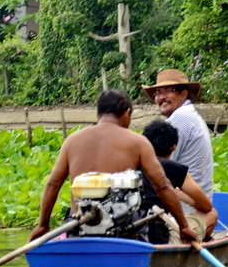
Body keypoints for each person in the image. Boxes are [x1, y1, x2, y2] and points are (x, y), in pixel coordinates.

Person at [27, 90, 199, 244]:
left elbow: (53, 184)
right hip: (124, 232)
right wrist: (183, 226)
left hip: (80, 227)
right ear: (127, 113)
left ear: (99, 114)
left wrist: (43, 225)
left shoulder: (72, 141)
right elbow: (162, 186)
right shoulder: (138, 142)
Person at [141, 120, 218, 243]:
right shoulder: (173, 168)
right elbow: (206, 206)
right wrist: (180, 195)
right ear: (173, 148)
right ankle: (194, 246)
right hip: (160, 239)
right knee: (212, 214)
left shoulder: (131, 163)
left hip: (134, 234)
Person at [142, 69, 214, 198]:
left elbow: (159, 170)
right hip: (196, 199)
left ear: (183, 94)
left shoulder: (180, 118)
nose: (161, 97)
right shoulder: (189, 114)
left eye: (169, 91)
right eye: (158, 93)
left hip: (188, 207)